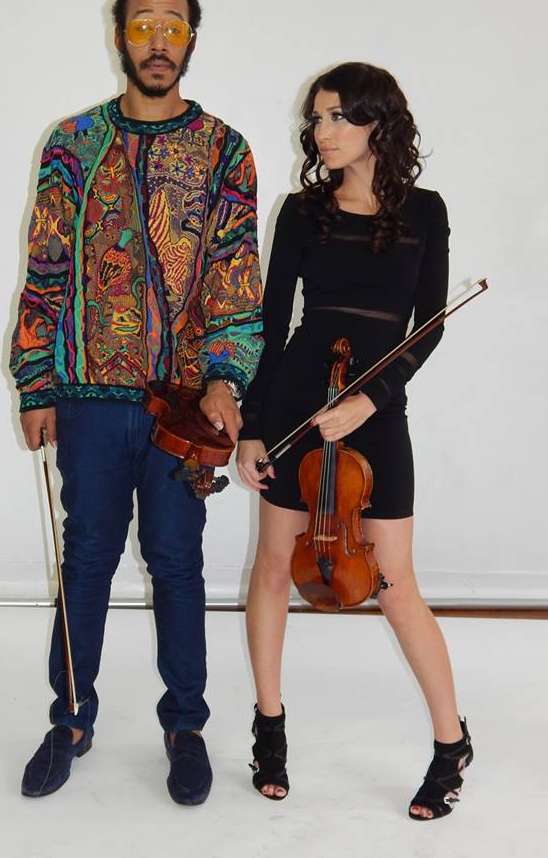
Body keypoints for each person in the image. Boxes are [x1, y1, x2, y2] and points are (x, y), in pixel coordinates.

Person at [9, 0, 262, 805]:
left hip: (180, 406)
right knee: (86, 555)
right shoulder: (72, 142)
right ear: (121, 34)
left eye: (173, 25)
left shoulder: (225, 150)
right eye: (144, 23)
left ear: (191, 38)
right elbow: (47, 268)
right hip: (85, 393)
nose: (159, 40)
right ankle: (70, 718)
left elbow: (235, 277)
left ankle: (185, 726)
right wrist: (34, 382)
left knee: (177, 560)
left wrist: (225, 379)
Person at [236, 62, 473, 819]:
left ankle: (451, 743)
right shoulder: (302, 212)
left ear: (378, 122)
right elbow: (271, 326)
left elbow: (426, 328)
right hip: (295, 403)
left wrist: (371, 398)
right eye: (316, 118)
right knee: (274, 566)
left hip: (375, 408)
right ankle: (269, 725)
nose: (322, 131)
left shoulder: (426, 212)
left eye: (337, 116)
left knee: (394, 584)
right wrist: (253, 426)